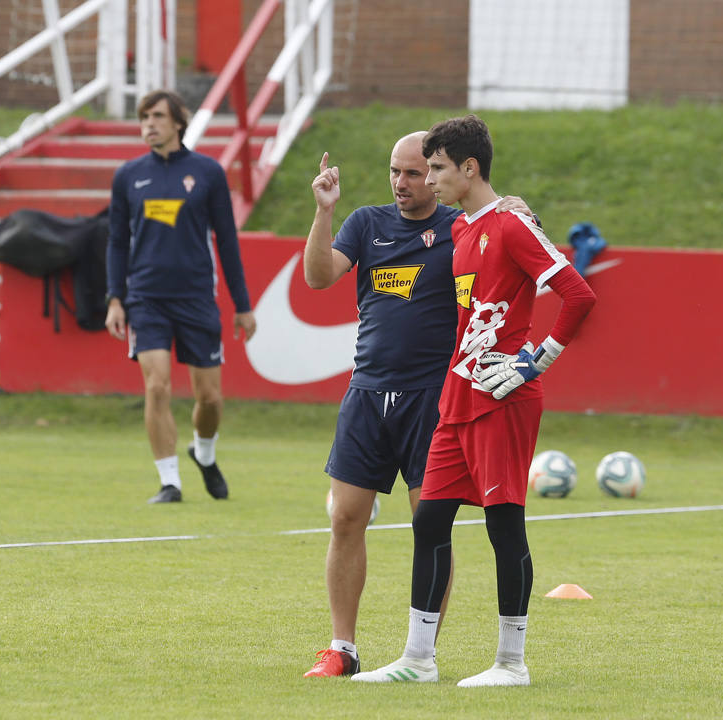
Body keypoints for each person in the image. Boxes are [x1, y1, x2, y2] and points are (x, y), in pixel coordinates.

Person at [351, 115, 596, 686]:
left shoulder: (511, 226)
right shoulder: (464, 229)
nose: (428, 178)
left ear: (469, 168)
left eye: (436, 168)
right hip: (455, 396)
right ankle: (417, 659)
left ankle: (512, 664)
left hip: (502, 397)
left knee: (503, 527)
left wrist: (536, 359)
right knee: (430, 520)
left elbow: (578, 295)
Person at [301, 131, 536, 678]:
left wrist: (522, 213)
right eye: (397, 172)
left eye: (417, 173)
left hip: (434, 398)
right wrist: (323, 212)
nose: (406, 183)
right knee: (344, 518)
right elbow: (317, 278)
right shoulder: (365, 223)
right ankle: (343, 648)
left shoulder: (462, 228)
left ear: (438, 174)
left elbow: (517, 252)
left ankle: (421, 655)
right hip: (366, 393)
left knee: (428, 525)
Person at [104, 90, 256, 504]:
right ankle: (170, 482)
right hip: (145, 299)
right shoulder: (128, 175)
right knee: (156, 387)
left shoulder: (207, 172)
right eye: (144, 118)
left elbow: (226, 241)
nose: (149, 124)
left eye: (157, 116)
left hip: (196, 300)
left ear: (178, 123)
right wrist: (115, 298)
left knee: (209, 397)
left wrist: (242, 305)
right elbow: (117, 242)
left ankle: (204, 454)